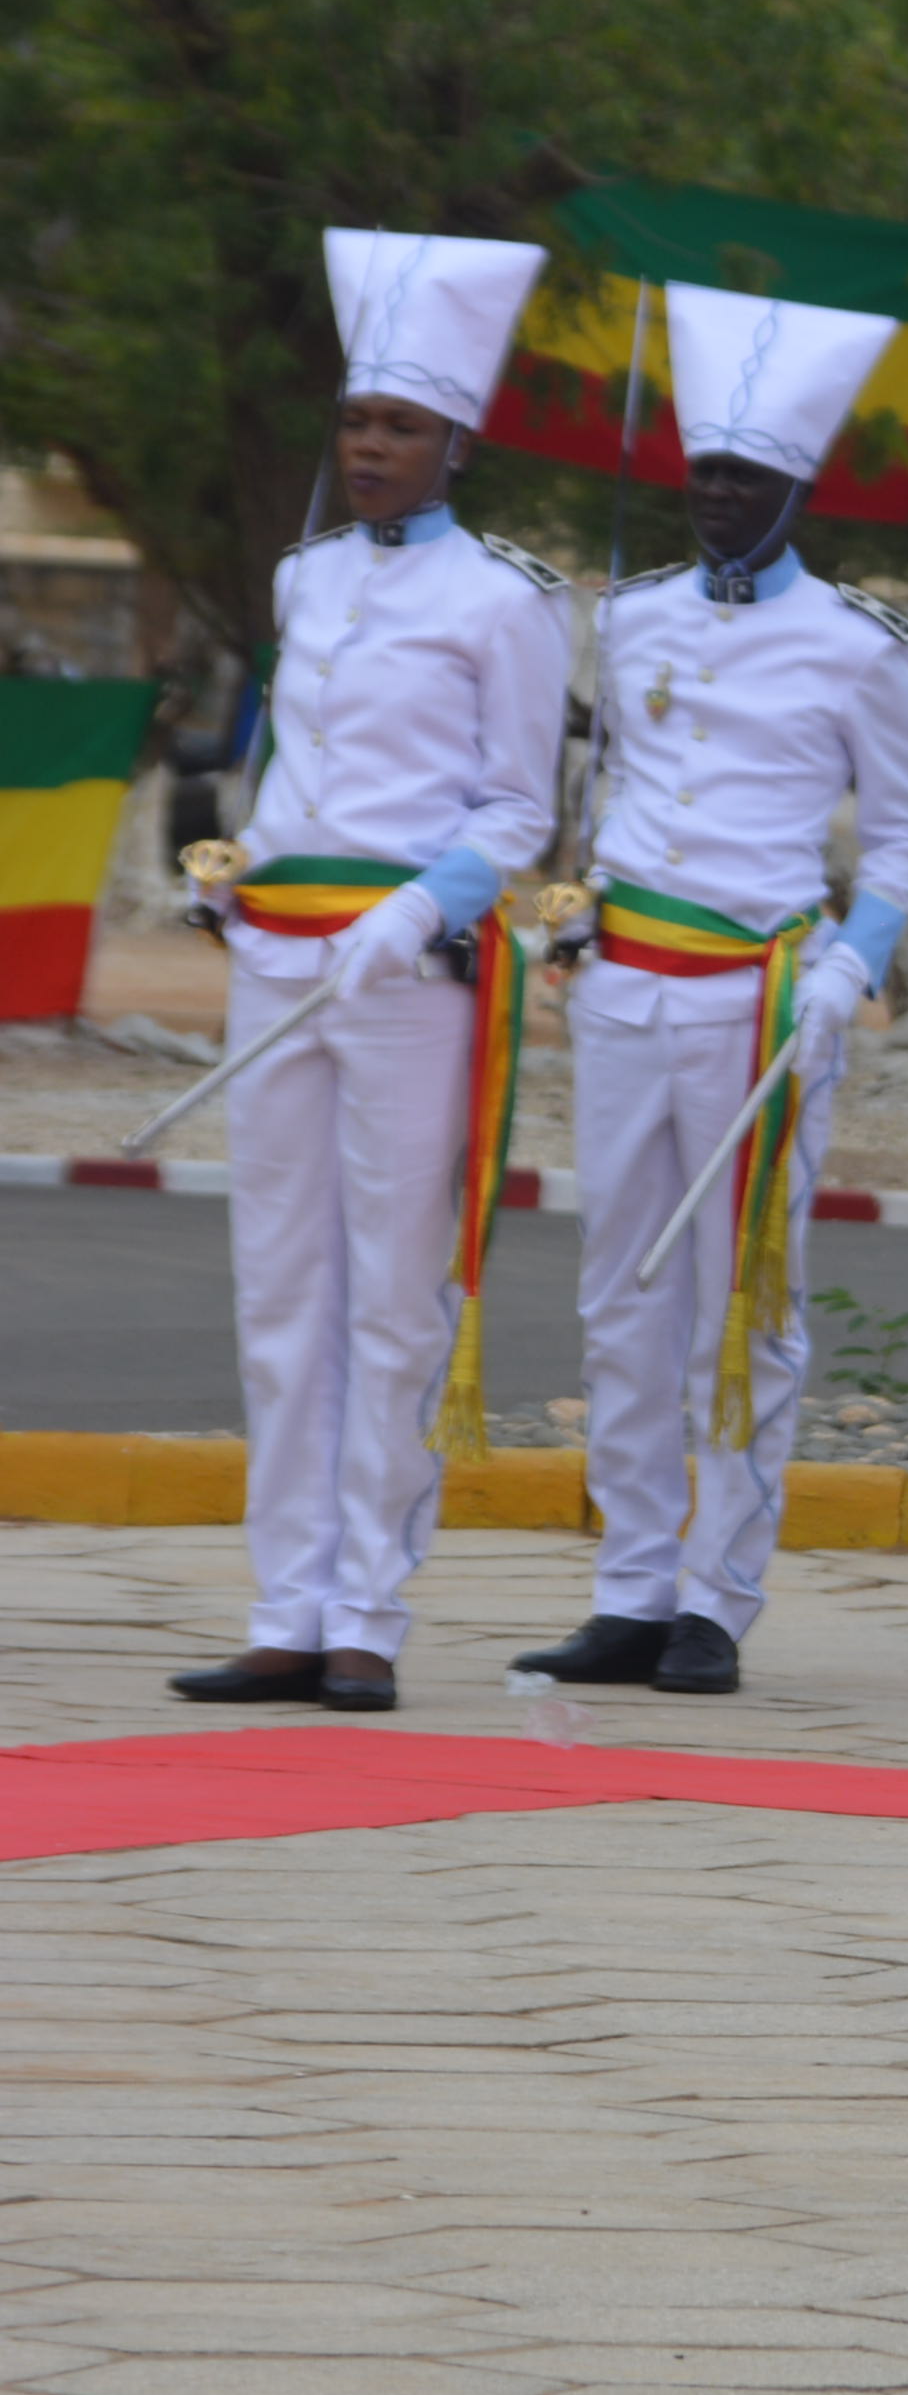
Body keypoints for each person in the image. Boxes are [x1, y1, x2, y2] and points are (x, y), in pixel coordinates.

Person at [171, 229, 569, 1717]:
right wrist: (234, 873)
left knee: (393, 1294)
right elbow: (294, 768)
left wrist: (413, 913)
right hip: (278, 959)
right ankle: (284, 1607)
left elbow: (518, 811)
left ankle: (366, 1617)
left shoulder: (504, 599)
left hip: (406, 972)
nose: (369, 448)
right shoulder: (305, 577)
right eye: (355, 422)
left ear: (456, 443)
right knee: (279, 1289)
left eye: (399, 425)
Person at [517, 280, 908, 1700]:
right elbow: (612, 796)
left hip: (763, 999)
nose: (718, 496)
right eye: (704, 471)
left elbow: (904, 845)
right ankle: (631, 1585)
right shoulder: (631, 619)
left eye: (748, 476)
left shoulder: (859, 644)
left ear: (798, 488)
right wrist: (577, 914)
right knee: (620, 1293)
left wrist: (849, 962)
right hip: (626, 987)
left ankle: (716, 1597)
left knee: (742, 1305)